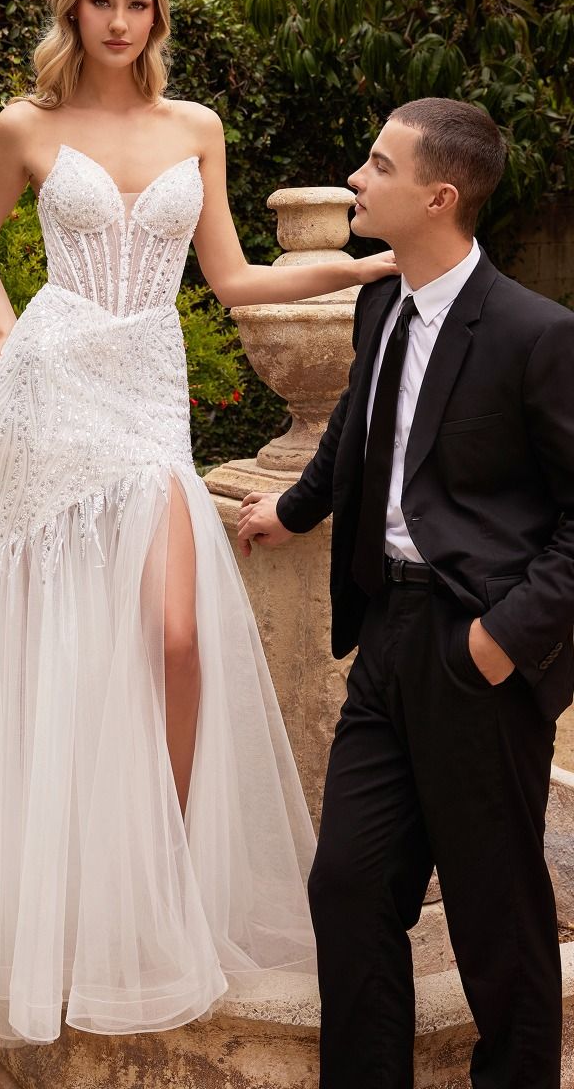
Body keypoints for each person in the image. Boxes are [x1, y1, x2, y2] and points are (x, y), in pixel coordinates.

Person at [0, 0, 397, 1050]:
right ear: (74, 9)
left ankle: (158, 873)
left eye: (135, 4)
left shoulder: (193, 127)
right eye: (98, 1)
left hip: (146, 392)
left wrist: (355, 264)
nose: (115, 20)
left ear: (156, 16)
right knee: (61, 634)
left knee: (174, 636)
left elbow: (233, 274)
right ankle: (62, 895)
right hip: (53, 392)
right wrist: (6, 339)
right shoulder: (26, 125)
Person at [238, 96, 574, 1088]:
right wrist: (293, 508)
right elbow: (354, 425)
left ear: (436, 196)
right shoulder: (382, 303)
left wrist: (502, 638)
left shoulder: (535, 334)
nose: (355, 178)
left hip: (474, 653)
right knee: (345, 884)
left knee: (492, 912)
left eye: (375, 166)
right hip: (383, 639)